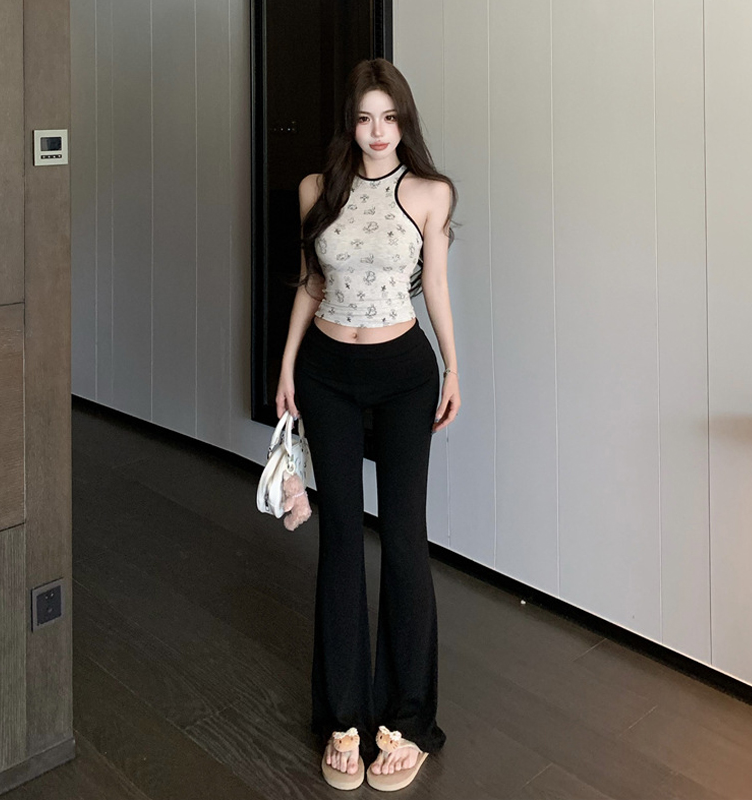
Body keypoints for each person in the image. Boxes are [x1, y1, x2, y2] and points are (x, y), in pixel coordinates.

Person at [275, 57, 460, 792]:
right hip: (326, 373)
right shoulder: (317, 189)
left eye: (389, 117)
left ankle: (409, 721)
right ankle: (343, 719)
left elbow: (434, 284)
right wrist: (287, 366)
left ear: (403, 120)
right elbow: (310, 281)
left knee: (405, 539)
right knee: (342, 539)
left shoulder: (430, 193)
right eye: (363, 118)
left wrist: (454, 367)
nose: (377, 132)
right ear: (348, 123)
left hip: (403, 374)